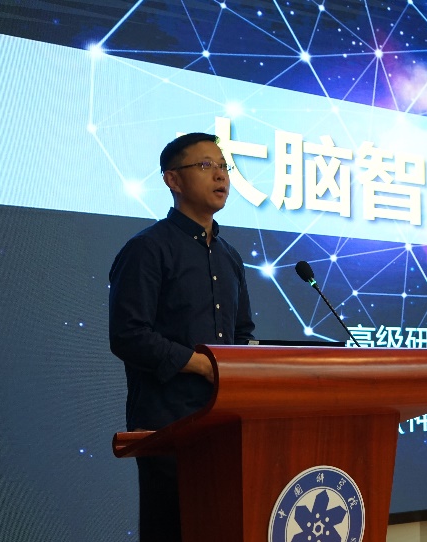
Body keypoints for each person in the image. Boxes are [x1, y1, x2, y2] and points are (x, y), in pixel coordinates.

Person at [108, 132, 255, 541]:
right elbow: (128, 335)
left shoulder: (230, 257)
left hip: (224, 424)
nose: (221, 176)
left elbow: (242, 334)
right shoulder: (147, 249)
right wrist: (202, 366)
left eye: (224, 166)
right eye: (206, 166)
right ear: (173, 180)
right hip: (170, 425)